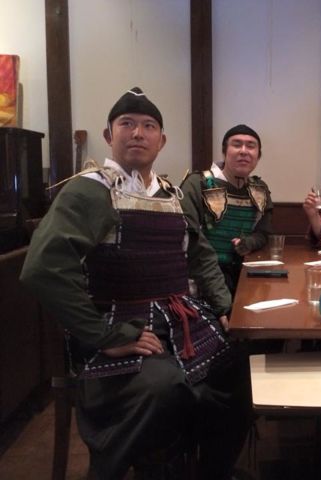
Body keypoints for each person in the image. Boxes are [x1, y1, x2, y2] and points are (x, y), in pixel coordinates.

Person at [20, 88, 252, 480]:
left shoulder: (171, 194)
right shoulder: (88, 190)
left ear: (162, 140)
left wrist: (224, 306)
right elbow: (43, 268)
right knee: (165, 387)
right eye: (127, 124)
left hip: (180, 323)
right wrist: (104, 335)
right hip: (117, 326)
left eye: (149, 126)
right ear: (109, 135)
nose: (138, 133)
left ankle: (210, 470)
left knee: (238, 371)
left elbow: (200, 256)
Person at [180, 124, 273, 294]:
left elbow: (263, 233)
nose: (243, 151)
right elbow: (190, 240)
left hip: (245, 277)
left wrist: (249, 243)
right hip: (201, 280)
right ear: (224, 151)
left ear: (258, 156)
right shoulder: (197, 184)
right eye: (237, 144)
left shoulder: (260, 189)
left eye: (251, 146)